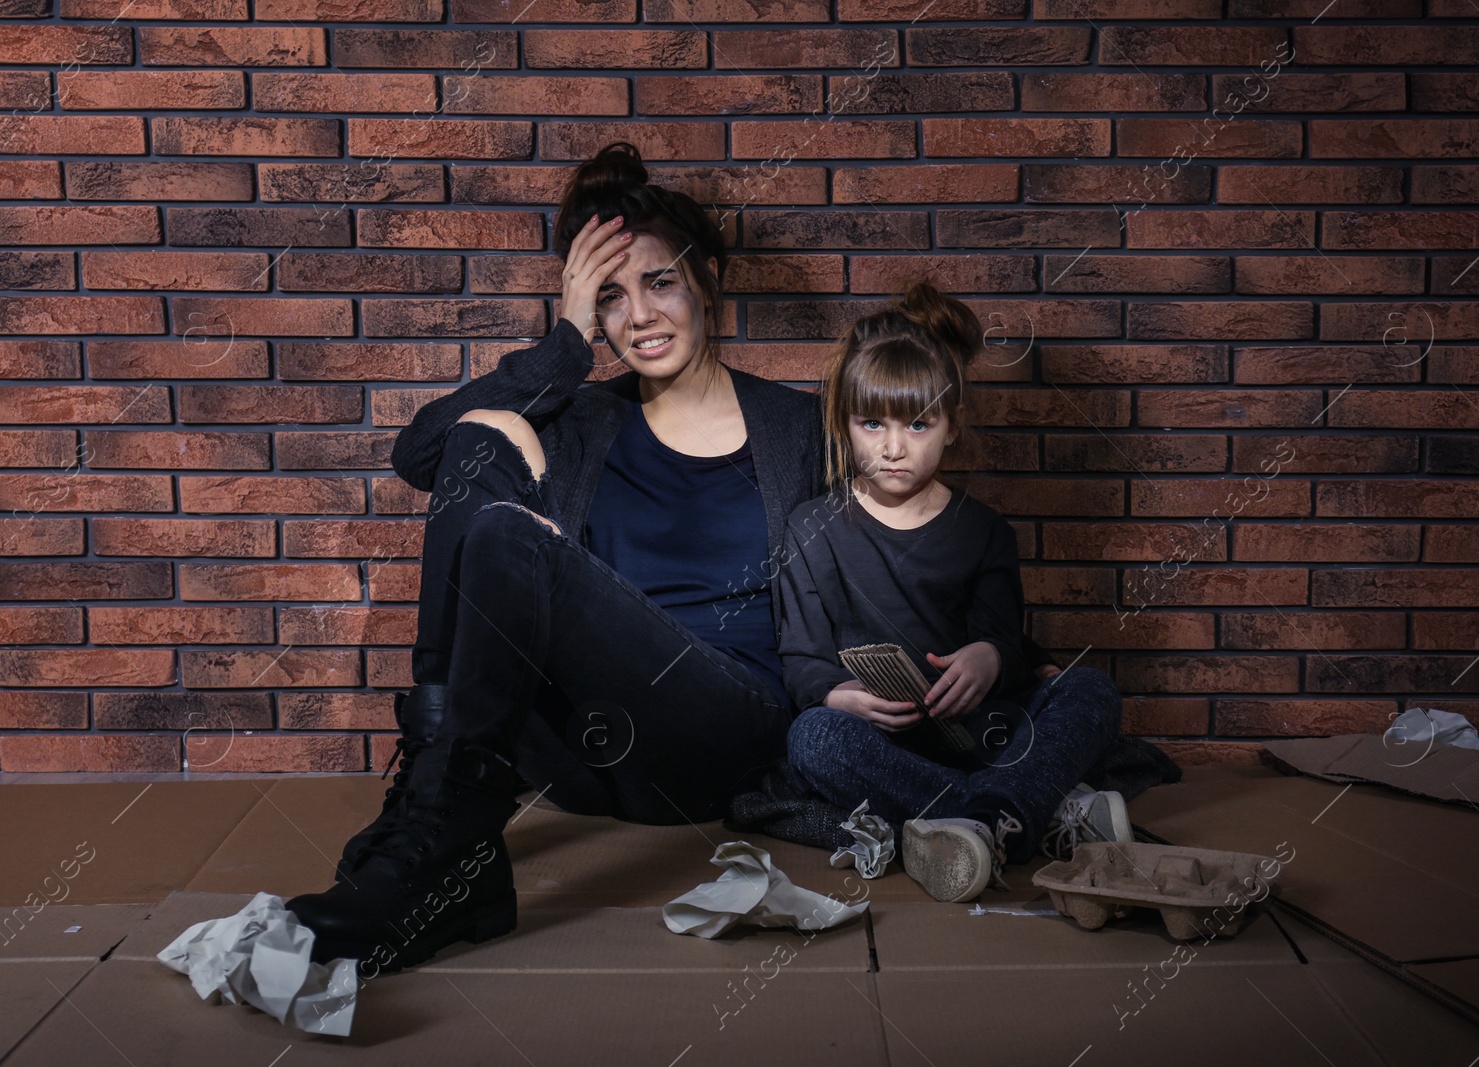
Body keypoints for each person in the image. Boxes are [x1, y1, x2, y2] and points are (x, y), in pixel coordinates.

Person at [286, 141, 827, 971]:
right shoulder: (581, 419)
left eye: (659, 283)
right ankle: (441, 821)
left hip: (720, 735)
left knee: (509, 534)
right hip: (583, 757)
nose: (638, 316)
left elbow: (891, 551)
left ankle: (442, 846)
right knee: (483, 439)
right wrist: (565, 344)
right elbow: (420, 452)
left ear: (708, 280)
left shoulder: (799, 430)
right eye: (609, 298)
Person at [777, 282, 1129, 904]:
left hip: (986, 736)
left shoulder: (984, 530)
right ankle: (1016, 817)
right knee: (811, 737)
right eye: (872, 424)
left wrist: (989, 658)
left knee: (1089, 688)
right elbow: (802, 659)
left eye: (917, 424)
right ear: (844, 423)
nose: (892, 448)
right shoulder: (812, 527)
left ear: (950, 426)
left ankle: (979, 819)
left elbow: (1006, 643)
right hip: (887, 746)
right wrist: (840, 695)